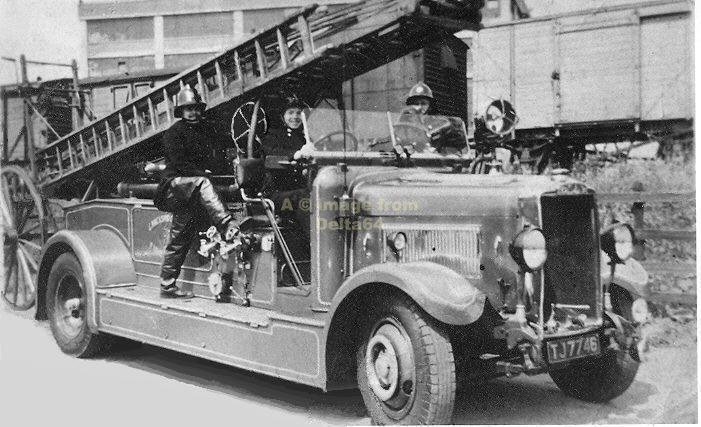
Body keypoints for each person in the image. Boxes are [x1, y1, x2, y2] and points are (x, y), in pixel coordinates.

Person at [153, 85, 237, 298]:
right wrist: (204, 172)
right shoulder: (173, 133)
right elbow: (180, 164)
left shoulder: (207, 131)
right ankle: (227, 225)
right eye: (188, 109)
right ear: (180, 111)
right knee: (201, 182)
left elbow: (214, 160)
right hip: (173, 186)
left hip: (189, 195)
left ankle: (167, 286)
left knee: (179, 239)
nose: (193, 112)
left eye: (196, 108)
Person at [256, 97, 312, 242]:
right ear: (282, 116)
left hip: (300, 191)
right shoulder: (273, 135)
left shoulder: (306, 137)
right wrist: (297, 154)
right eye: (290, 112)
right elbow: (271, 153)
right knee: (305, 199)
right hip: (276, 194)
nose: (295, 117)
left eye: (299, 113)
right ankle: (315, 244)